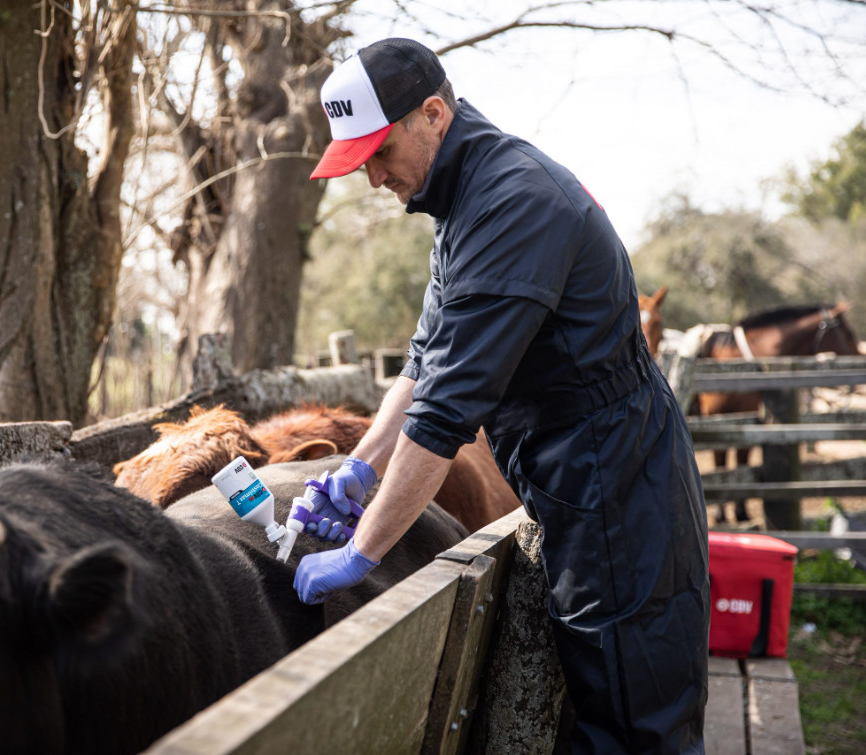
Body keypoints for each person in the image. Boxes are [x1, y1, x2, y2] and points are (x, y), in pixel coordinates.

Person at [292, 38, 710, 754]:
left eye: (379, 152)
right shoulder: (463, 205)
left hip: (615, 487)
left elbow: (449, 409)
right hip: (580, 477)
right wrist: (359, 469)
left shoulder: (514, 203)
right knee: (601, 704)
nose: (371, 177)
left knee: (635, 726)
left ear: (432, 114)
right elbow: (424, 363)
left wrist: (364, 549)